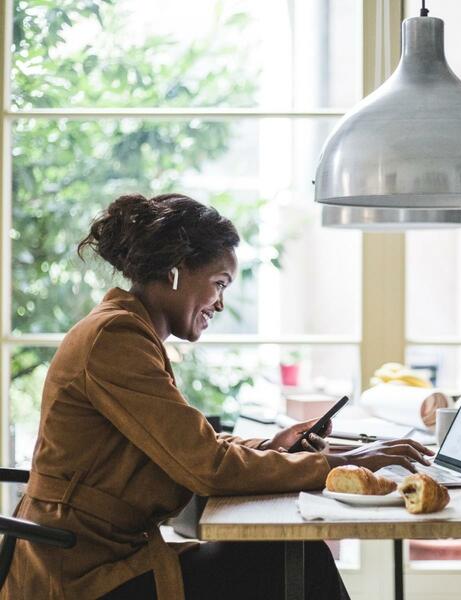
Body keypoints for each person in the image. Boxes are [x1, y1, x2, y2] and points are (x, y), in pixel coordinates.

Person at [3, 193, 434, 600]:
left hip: (106, 558)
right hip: (81, 577)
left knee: (291, 555)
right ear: (175, 270)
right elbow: (206, 467)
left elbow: (189, 444)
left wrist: (270, 446)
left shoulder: (127, 331)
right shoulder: (116, 338)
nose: (221, 304)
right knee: (290, 557)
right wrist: (342, 464)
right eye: (219, 283)